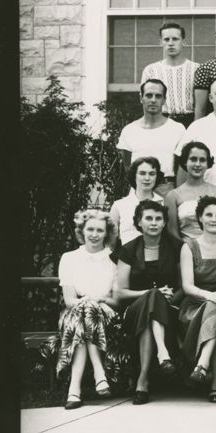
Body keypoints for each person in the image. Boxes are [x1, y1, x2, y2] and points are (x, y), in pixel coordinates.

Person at [113, 199, 183, 405]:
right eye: (148, 218)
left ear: (164, 223)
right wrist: (152, 293)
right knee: (152, 298)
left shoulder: (177, 247)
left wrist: (168, 299)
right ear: (139, 222)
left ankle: (142, 380)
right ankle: (163, 354)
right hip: (133, 312)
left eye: (158, 219)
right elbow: (121, 293)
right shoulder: (128, 250)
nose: (153, 223)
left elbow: (182, 287)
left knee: (152, 308)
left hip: (169, 311)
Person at [55, 210, 121, 410]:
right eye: (90, 229)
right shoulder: (69, 258)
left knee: (89, 310)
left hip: (107, 314)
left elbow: (117, 301)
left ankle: (74, 391)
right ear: (81, 231)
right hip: (73, 314)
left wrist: (98, 301)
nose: (94, 234)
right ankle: (99, 372)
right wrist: (91, 302)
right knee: (86, 310)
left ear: (107, 233)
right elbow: (69, 300)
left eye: (99, 230)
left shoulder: (115, 258)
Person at [178, 197, 216, 403]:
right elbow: (187, 286)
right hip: (196, 304)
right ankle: (214, 382)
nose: (214, 219)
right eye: (209, 215)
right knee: (215, 309)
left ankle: (203, 366)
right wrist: (208, 295)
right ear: (200, 219)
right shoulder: (189, 247)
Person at [117, 79, 186, 192]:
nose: (153, 100)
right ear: (141, 98)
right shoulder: (129, 130)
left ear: (164, 100)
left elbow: (182, 168)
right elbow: (127, 167)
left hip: (166, 189)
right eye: (149, 95)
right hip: (139, 189)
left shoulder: (177, 129)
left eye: (158, 96)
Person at [163, 142, 216, 242]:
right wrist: (189, 250)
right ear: (185, 161)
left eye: (202, 160)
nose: (198, 164)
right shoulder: (172, 196)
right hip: (186, 249)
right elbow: (172, 232)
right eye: (193, 159)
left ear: (208, 164)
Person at [141, 21, 199, 127]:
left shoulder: (196, 69)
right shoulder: (150, 70)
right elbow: (145, 103)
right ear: (160, 42)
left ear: (184, 42)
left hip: (189, 122)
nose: (171, 43)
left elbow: (201, 104)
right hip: (160, 122)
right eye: (166, 39)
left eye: (175, 39)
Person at [109, 156, 163, 246]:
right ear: (134, 175)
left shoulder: (163, 203)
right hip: (127, 258)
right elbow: (111, 243)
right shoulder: (119, 206)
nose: (147, 178)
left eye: (152, 174)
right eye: (142, 173)